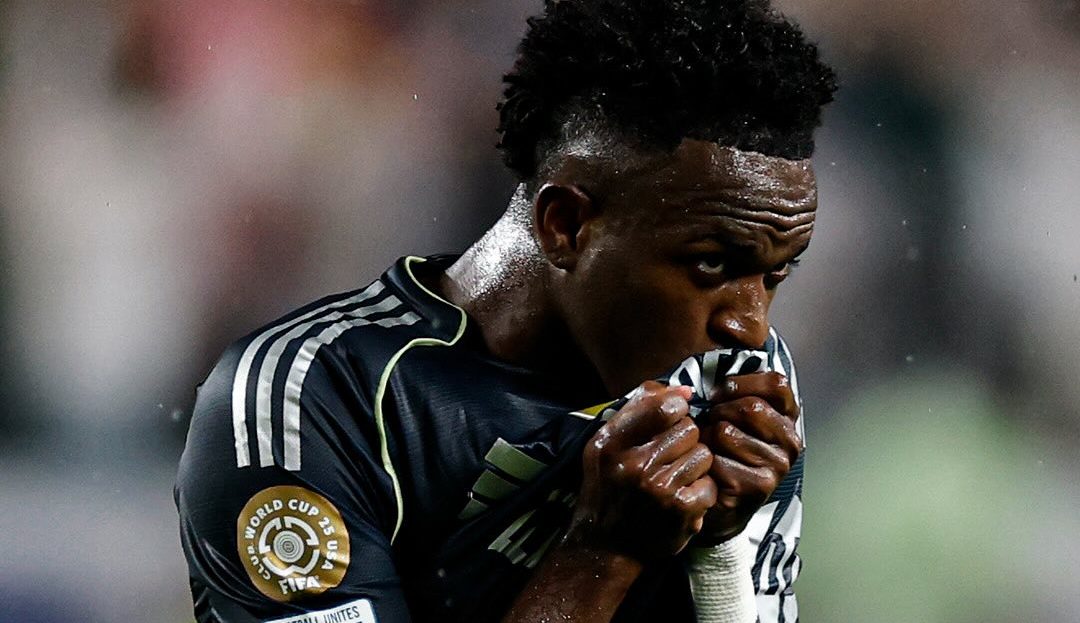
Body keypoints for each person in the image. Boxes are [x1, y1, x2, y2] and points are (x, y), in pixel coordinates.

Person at [175, 0, 837, 621]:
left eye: (776, 273)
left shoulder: (744, 381)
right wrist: (601, 554)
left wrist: (721, 547)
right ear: (567, 224)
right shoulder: (311, 397)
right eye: (711, 265)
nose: (748, 324)